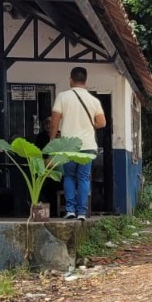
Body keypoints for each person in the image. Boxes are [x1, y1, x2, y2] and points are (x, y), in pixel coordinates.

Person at [50, 66, 106, 220]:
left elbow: (54, 121)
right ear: (86, 81)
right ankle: (82, 212)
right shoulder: (93, 100)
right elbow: (102, 122)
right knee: (83, 178)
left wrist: (52, 141)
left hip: (68, 145)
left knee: (69, 176)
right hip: (87, 146)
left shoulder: (62, 97)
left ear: (70, 80)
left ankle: (70, 210)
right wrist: (88, 125)